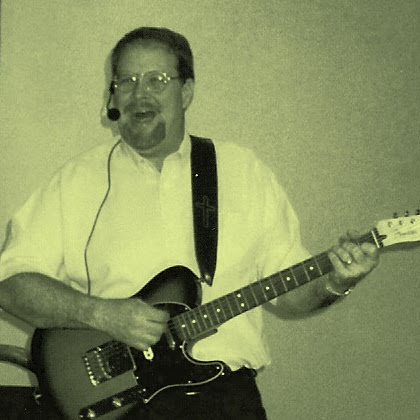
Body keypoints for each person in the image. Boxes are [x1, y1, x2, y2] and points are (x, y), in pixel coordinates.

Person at [0, 27, 379, 419]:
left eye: (157, 80)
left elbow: (289, 292)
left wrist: (336, 282)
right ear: (112, 96)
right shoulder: (76, 182)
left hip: (227, 401)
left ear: (186, 92)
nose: (139, 94)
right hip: (123, 405)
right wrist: (101, 314)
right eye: (126, 81)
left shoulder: (243, 170)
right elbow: (10, 283)